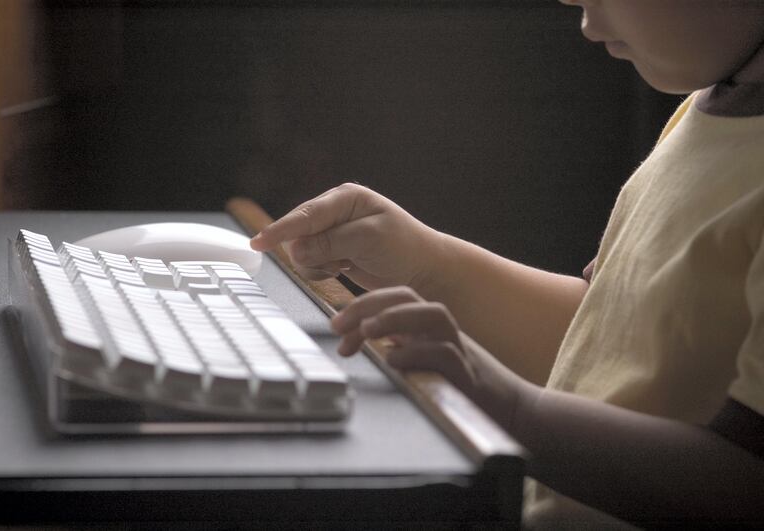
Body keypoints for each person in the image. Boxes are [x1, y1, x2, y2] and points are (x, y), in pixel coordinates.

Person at [251, 1, 764, 527]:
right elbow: (607, 337)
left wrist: (515, 410)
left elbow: (744, 484)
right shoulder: (709, 104)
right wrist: (431, 266)